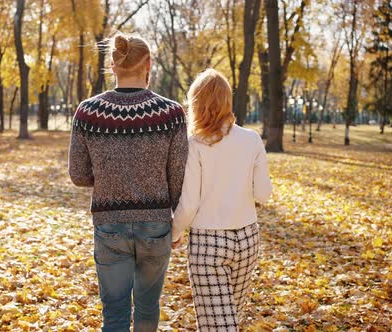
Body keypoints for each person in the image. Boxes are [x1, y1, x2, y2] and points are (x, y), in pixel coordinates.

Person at [68, 33, 188, 331]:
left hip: (109, 226)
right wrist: (179, 225)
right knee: (148, 309)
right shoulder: (171, 114)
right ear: (148, 64)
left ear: (112, 65)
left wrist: (112, 173)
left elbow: (78, 175)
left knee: (115, 313)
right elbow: (178, 178)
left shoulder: (88, 111)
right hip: (156, 227)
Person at [172, 69, 272, 331]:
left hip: (209, 242)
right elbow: (264, 194)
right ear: (228, 100)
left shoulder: (195, 145)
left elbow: (189, 204)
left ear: (196, 104)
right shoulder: (252, 139)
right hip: (248, 239)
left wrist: (174, 233)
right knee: (230, 319)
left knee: (218, 324)